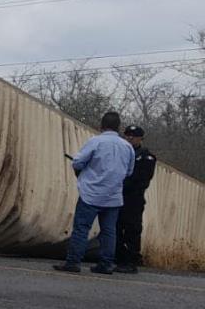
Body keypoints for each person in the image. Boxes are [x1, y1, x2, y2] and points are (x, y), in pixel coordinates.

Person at [54, 112, 134, 275]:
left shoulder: (96, 141)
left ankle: (74, 262)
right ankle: (106, 264)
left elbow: (78, 161)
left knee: (82, 228)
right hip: (113, 196)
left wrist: (83, 172)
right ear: (119, 127)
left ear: (101, 125)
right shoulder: (127, 147)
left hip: (91, 194)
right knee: (109, 231)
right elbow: (129, 171)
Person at [116, 125, 157, 274]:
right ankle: (119, 259)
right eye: (127, 135)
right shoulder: (120, 153)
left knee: (132, 230)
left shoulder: (146, 157)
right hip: (117, 197)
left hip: (133, 199)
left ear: (141, 138)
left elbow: (142, 180)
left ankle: (131, 261)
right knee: (116, 228)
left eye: (133, 136)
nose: (130, 138)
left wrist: (123, 184)